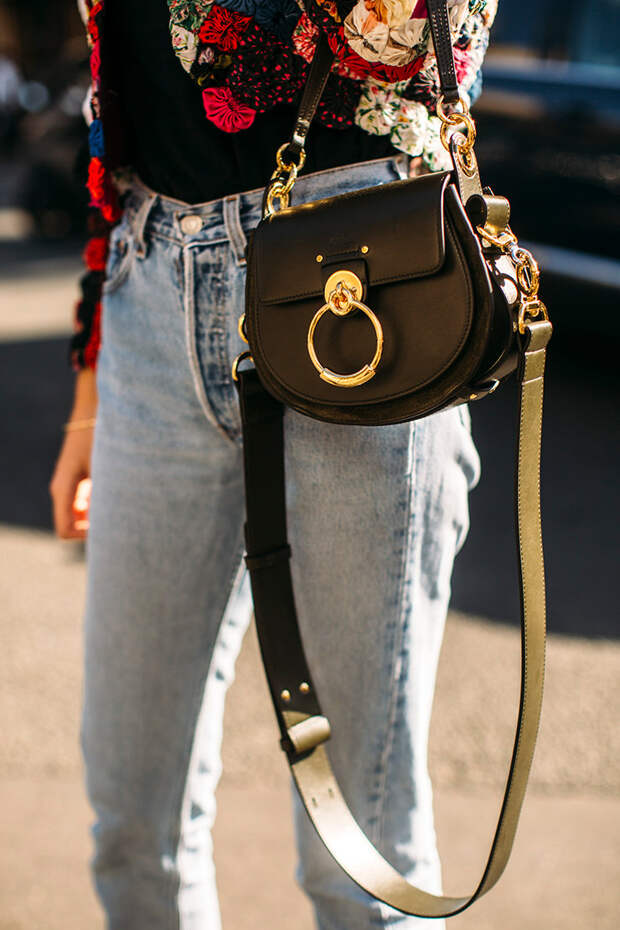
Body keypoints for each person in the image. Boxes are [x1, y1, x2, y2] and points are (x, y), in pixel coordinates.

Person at [49, 1, 496, 927]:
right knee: (132, 829)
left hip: (366, 273)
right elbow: (114, 93)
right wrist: (90, 386)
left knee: (361, 857)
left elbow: (405, 36)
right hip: (150, 279)